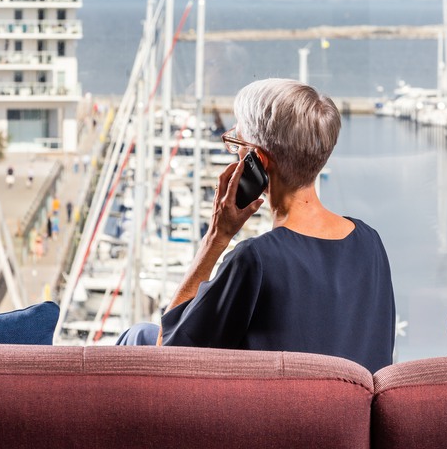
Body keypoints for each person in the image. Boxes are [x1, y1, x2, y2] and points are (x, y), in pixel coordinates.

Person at [117, 79, 395, 374]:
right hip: (343, 415)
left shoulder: (256, 259)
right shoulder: (370, 243)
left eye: (238, 144)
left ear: (258, 161)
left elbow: (168, 353)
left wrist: (216, 237)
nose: (234, 153)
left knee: (139, 336)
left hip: (268, 419)